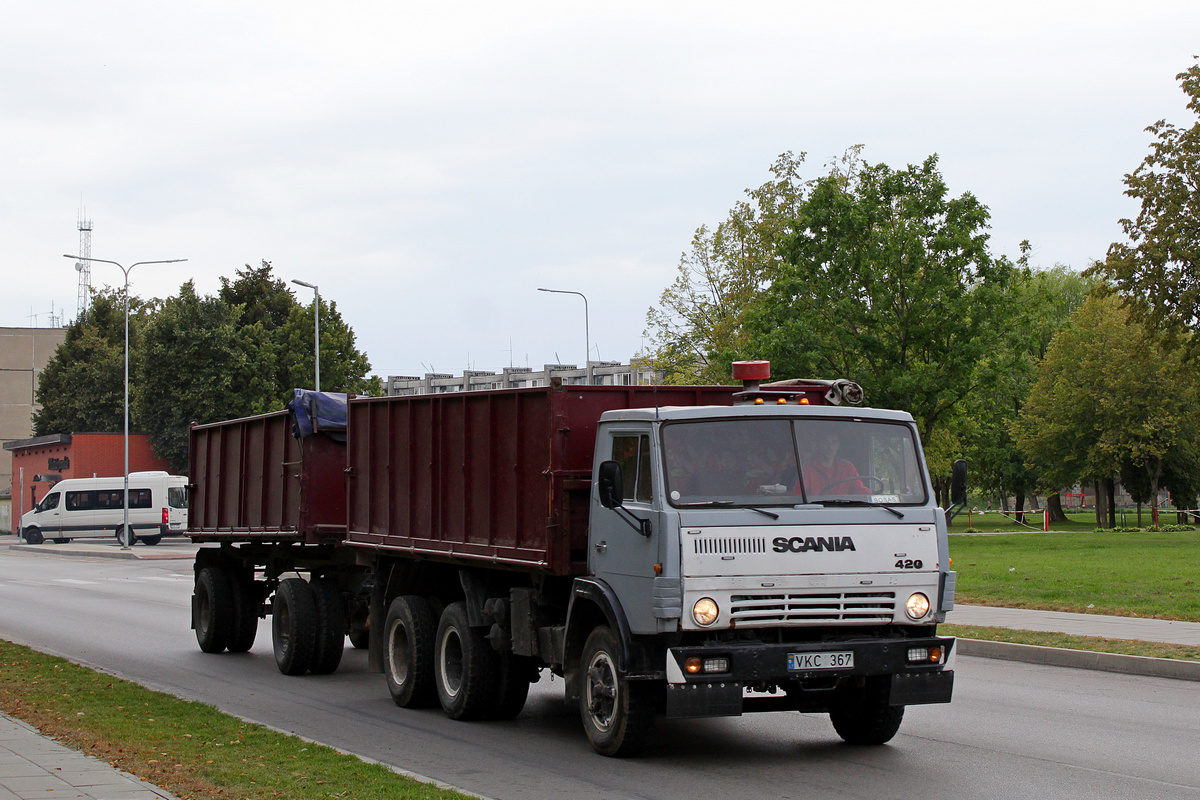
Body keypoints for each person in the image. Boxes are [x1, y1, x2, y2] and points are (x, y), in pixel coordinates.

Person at [800, 429, 867, 495]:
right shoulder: (808, 468)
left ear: (838, 445)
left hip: (844, 506)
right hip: (817, 506)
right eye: (826, 442)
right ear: (819, 444)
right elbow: (798, 496)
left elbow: (861, 491)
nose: (830, 447)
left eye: (834, 442)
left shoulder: (848, 468)